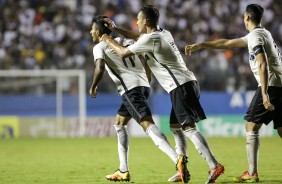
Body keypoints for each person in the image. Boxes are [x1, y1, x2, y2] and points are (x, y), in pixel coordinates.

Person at [100, 5, 224, 184]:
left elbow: (123, 52)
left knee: (189, 128)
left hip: (180, 85)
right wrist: (116, 29)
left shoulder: (152, 38)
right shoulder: (164, 33)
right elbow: (137, 37)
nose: (136, 22)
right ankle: (182, 169)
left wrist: (106, 38)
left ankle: (214, 166)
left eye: (138, 19)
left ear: (146, 21)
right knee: (175, 126)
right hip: (185, 83)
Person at [185, 4, 282, 183]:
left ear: (247, 18)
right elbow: (227, 43)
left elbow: (262, 63)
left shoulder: (255, 37)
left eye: (244, 17)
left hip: (272, 85)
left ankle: (252, 174)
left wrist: (265, 92)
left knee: (251, 126)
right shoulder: (263, 33)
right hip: (280, 84)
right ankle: (252, 172)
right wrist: (202, 44)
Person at [89, 15, 186, 183]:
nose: (91, 32)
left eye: (92, 29)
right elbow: (144, 58)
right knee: (119, 123)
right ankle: (123, 170)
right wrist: (146, 81)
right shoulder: (124, 41)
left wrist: (93, 86)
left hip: (130, 90)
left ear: (97, 31)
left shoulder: (100, 46)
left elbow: (99, 67)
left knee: (147, 125)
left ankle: (177, 160)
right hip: (143, 86)